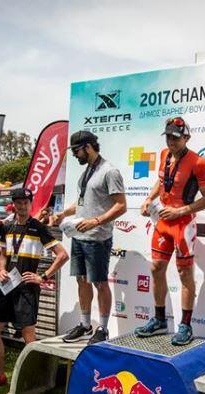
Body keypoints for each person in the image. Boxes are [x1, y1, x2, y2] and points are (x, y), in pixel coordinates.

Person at [134, 117, 205, 346]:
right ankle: (159, 320)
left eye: (176, 138)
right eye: (168, 136)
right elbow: (161, 181)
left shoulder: (198, 162)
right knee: (156, 267)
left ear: (186, 137)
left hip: (183, 223)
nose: (171, 141)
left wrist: (181, 212)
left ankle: (185, 325)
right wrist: (149, 199)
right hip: (162, 221)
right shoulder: (164, 154)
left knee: (184, 274)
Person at [0, 188, 69, 388]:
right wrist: (2, 269)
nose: (22, 206)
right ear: (13, 204)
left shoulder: (38, 227)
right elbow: (4, 255)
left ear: (31, 204)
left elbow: (62, 255)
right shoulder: (6, 227)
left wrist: (42, 277)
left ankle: (38, 381)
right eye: (18, 202)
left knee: (28, 337)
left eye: (25, 202)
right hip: (6, 286)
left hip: (26, 289)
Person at [52, 130, 126, 344]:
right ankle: (85, 325)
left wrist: (96, 221)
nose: (75, 155)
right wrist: (64, 213)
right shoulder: (86, 172)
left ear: (87, 147)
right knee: (81, 280)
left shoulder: (109, 171)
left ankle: (102, 328)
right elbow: (84, 201)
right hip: (78, 236)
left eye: (76, 150)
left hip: (98, 238)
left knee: (100, 284)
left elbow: (121, 205)